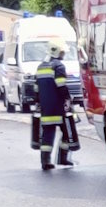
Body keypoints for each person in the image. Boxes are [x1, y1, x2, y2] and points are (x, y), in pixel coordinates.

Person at [32, 41, 80, 170]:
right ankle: (63, 158)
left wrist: (38, 103)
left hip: (46, 108)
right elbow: (61, 85)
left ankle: (45, 161)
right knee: (67, 131)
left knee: (48, 132)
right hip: (58, 107)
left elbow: (36, 88)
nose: (63, 54)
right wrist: (68, 99)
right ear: (57, 52)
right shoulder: (59, 66)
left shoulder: (41, 66)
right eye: (62, 52)